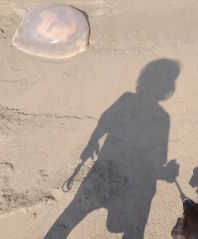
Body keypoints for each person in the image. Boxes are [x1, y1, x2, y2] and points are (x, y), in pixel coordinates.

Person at [45, 58, 180, 239]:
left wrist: (93, 142)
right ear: (168, 89)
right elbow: (156, 163)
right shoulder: (163, 118)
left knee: (69, 217)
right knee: (134, 231)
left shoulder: (128, 98)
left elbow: (105, 121)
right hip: (136, 183)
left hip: (107, 170)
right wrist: (167, 174)